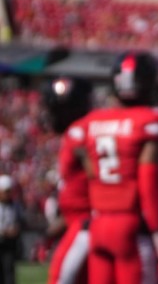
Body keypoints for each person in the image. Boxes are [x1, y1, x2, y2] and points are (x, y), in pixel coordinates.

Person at [80, 51, 158, 284]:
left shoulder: (92, 122)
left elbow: (90, 173)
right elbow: (148, 183)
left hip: (99, 223)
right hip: (130, 227)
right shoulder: (151, 120)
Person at [41, 75, 93, 284]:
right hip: (78, 221)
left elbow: (98, 178)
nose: (53, 114)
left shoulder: (82, 133)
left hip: (86, 223)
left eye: (58, 109)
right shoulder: (74, 134)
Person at [0, 175, 21, 284]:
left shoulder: (15, 205)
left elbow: (20, 221)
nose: (8, 194)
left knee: (9, 275)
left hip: (9, 246)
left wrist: (16, 229)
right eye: (6, 191)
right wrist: (4, 232)